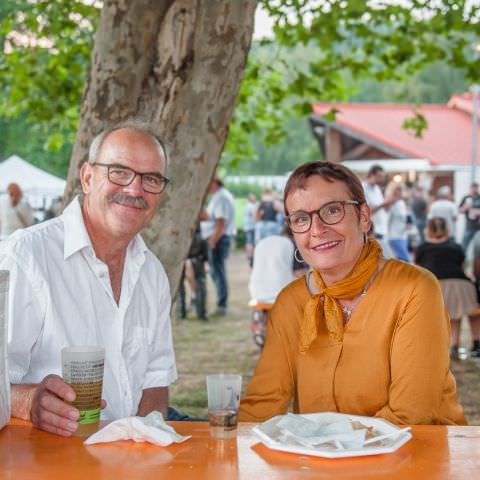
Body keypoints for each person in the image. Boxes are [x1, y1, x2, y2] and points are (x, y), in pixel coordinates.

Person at [239, 160, 466, 425]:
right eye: (301, 218)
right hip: (325, 459)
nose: (317, 229)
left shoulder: (414, 289)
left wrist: (326, 445)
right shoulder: (291, 301)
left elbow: (410, 414)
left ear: (364, 217)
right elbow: (263, 404)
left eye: (332, 211)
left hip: (416, 454)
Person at [0, 123, 177, 436]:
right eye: (119, 172)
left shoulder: (152, 273)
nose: (135, 190)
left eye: (151, 179)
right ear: (87, 177)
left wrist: (146, 448)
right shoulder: (27, 257)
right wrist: (29, 401)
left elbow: (155, 383)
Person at [415, 217, 480, 359]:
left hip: (434, 284)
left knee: (435, 318)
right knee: (455, 316)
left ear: (428, 230)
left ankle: (434, 348)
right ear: (447, 229)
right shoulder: (456, 246)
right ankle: (455, 346)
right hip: (461, 285)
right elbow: (462, 267)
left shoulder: (422, 248)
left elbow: (417, 271)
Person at [200, 175, 235, 315]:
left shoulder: (221, 197)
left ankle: (222, 305)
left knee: (218, 272)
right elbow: (214, 219)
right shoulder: (219, 196)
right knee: (216, 272)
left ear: (214, 182)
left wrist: (212, 241)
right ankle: (221, 303)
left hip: (219, 240)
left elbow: (221, 223)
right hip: (218, 238)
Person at [362, 165, 393, 258]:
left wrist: (388, 205)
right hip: (372, 231)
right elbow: (365, 211)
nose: (382, 179)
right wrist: (383, 204)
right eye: (380, 176)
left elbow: (381, 208)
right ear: (372, 175)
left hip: (382, 229)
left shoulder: (377, 189)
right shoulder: (362, 188)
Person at [385, 181, 410, 262]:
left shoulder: (401, 202)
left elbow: (405, 216)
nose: (400, 192)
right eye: (398, 189)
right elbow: (386, 219)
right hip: (394, 236)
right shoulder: (389, 202)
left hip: (403, 235)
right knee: (405, 260)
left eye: (401, 190)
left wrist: (408, 223)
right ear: (393, 190)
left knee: (402, 261)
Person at [459, 183, 480, 251]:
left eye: (475, 188)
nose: (474, 190)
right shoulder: (466, 198)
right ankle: (461, 259)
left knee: (478, 245)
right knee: (464, 244)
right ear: (470, 188)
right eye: (472, 188)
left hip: (478, 225)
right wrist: (465, 207)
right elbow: (460, 210)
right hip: (469, 225)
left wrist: (477, 212)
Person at [244, 193, 257, 267]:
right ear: (250, 198)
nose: (254, 198)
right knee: (251, 242)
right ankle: (251, 256)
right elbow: (255, 216)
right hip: (252, 227)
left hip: (247, 227)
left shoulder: (247, 206)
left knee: (248, 242)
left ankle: (248, 255)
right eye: (253, 197)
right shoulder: (251, 206)